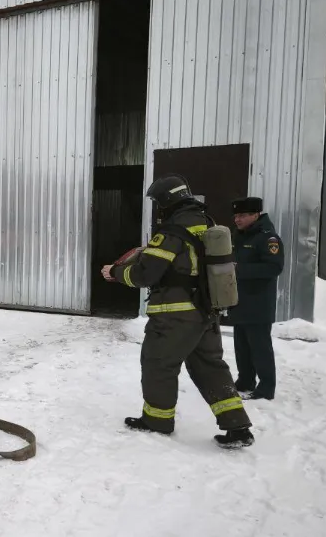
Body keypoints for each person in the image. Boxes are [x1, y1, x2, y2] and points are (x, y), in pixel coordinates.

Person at [102, 174, 254, 448]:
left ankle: (157, 421)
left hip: (175, 316)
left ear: (167, 201)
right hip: (206, 313)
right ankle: (238, 426)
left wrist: (115, 271)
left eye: (158, 202)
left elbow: (145, 274)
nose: (159, 208)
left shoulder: (171, 232)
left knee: (158, 364)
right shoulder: (208, 223)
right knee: (211, 367)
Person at [229, 197, 284, 400]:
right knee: (242, 348)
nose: (237, 219)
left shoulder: (267, 238)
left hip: (258, 303)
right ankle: (245, 381)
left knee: (260, 348)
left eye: (242, 215)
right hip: (240, 301)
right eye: (236, 215)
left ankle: (266, 388)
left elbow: (274, 267)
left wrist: (238, 269)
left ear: (256, 215)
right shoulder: (240, 236)